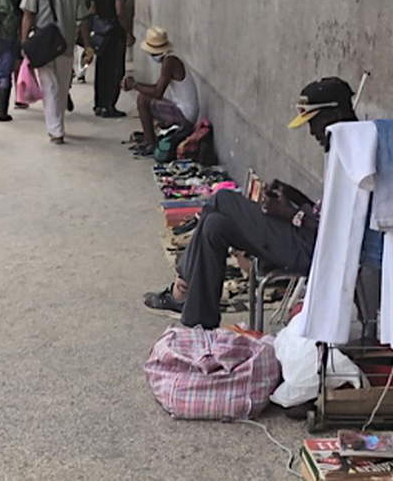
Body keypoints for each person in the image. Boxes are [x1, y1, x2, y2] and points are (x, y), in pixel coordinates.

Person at [143, 77, 359, 329]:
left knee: (222, 200)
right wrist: (296, 197)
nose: (312, 132)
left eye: (315, 122)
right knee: (214, 226)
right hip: (307, 237)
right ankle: (200, 323)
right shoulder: (343, 149)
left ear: (336, 113)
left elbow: (339, 229)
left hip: (316, 250)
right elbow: (329, 212)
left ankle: (183, 286)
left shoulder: (356, 156)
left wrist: (291, 214)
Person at [20, 0, 93, 144]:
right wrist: (87, 46)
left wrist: (24, 41)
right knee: (61, 88)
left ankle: (56, 131)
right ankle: (57, 126)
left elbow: (28, 15)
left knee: (49, 86)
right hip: (66, 44)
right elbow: (83, 20)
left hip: (44, 45)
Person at [121, 27, 199, 156]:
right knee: (145, 97)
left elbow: (157, 92)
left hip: (185, 115)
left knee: (142, 100)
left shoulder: (169, 62)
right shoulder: (170, 59)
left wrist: (135, 85)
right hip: (183, 110)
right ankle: (148, 139)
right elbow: (156, 88)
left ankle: (150, 143)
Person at [92, 0, 135, 118]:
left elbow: (93, 10)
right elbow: (119, 11)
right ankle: (109, 106)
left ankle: (99, 104)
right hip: (114, 34)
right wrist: (128, 31)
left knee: (101, 68)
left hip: (101, 33)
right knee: (116, 69)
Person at [66, 0, 95, 84]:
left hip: (72, 16)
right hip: (86, 16)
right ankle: (82, 72)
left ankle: (71, 71)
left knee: (70, 47)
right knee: (83, 46)